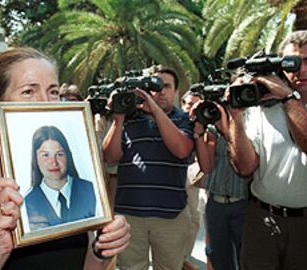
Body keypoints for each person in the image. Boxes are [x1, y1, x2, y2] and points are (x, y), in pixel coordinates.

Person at [0, 47, 130, 270]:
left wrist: (102, 249)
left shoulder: (77, 175)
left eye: (53, 92)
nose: (44, 102)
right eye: (28, 91)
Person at [228, 30, 307, 270]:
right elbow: (244, 167)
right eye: (290, 62)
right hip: (262, 220)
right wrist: (236, 117)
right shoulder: (263, 108)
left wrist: (288, 98)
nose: (300, 69)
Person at [102, 65, 194, 270]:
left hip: (171, 216)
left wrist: (154, 110)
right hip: (129, 216)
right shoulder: (128, 120)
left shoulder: (183, 119)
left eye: (166, 86)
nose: (160, 91)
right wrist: (118, 120)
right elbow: (110, 157)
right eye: (154, 87)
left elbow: (182, 150)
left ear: (176, 92)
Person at [190, 99, 250, 270]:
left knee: (245, 256)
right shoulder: (212, 131)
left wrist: (227, 129)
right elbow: (206, 167)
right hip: (216, 204)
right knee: (218, 256)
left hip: (243, 203)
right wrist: (199, 134)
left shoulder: (248, 127)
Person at [25, 125, 96, 230]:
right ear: (36, 159)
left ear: (67, 155)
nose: (53, 162)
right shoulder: (28, 202)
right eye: (45, 155)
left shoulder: (90, 189)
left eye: (59, 154)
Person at [180, 91, 203, 270]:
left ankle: (184, 257)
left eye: (197, 104)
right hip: (175, 176)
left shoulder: (202, 123)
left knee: (195, 219)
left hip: (194, 177)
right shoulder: (175, 121)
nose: (192, 108)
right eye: (189, 104)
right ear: (183, 104)